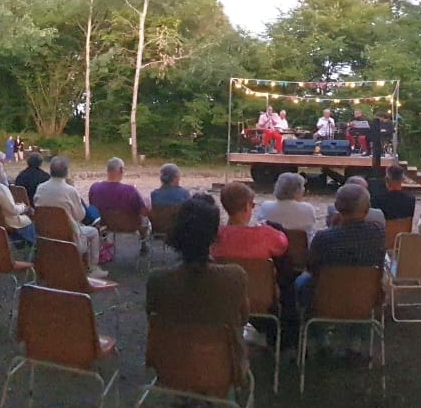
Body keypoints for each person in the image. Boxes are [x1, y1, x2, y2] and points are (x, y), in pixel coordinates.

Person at [145, 194, 249, 379]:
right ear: (214, 234)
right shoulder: (235, 276)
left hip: (169, 367)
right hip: (222, 369)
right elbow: (242, 319)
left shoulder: (157, 279)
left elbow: (152, 318)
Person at [296, 183, 385, 315]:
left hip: (327, 297)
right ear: (367, 209)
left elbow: (311, 267)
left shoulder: (323, 238)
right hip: (364, 296)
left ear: (337, 207)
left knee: (300, 281)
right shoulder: (378, 232)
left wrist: (332, 226)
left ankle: (306, 325)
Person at [34, 157, 108, 278]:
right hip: (68, 235)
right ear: (66, 171)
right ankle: (93, 268)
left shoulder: (41, 187)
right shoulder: (70, 190)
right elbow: (81, 215)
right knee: (94, 232)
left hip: (46, 234)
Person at [213, 182, 289, 260]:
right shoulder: (265, 235)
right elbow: (283, 244)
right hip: (259, 272)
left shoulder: (214, 236)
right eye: (252, 205)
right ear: (246, 206)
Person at [89, 157, 150, 253]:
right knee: (144, 219)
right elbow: (144, 212)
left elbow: (92, 206)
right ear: (121, 170)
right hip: (130, 226)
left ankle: (104, 240)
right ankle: (144, 244)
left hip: (105, 224)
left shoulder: (94, 188)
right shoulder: (130, 190)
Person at [0, 161, 36, 245]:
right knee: (28, 218)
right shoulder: (0, 188)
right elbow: (13, 210)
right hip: (7, 221)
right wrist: (24, 207)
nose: (4, 173)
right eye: (2, 171)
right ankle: (33, 244)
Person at [254, 172, 318, 237]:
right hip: (299, 246)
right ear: (296, 191)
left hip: (272, 246)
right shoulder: (308, 209)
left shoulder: (266, 207)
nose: (304, 190)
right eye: (302, 187)